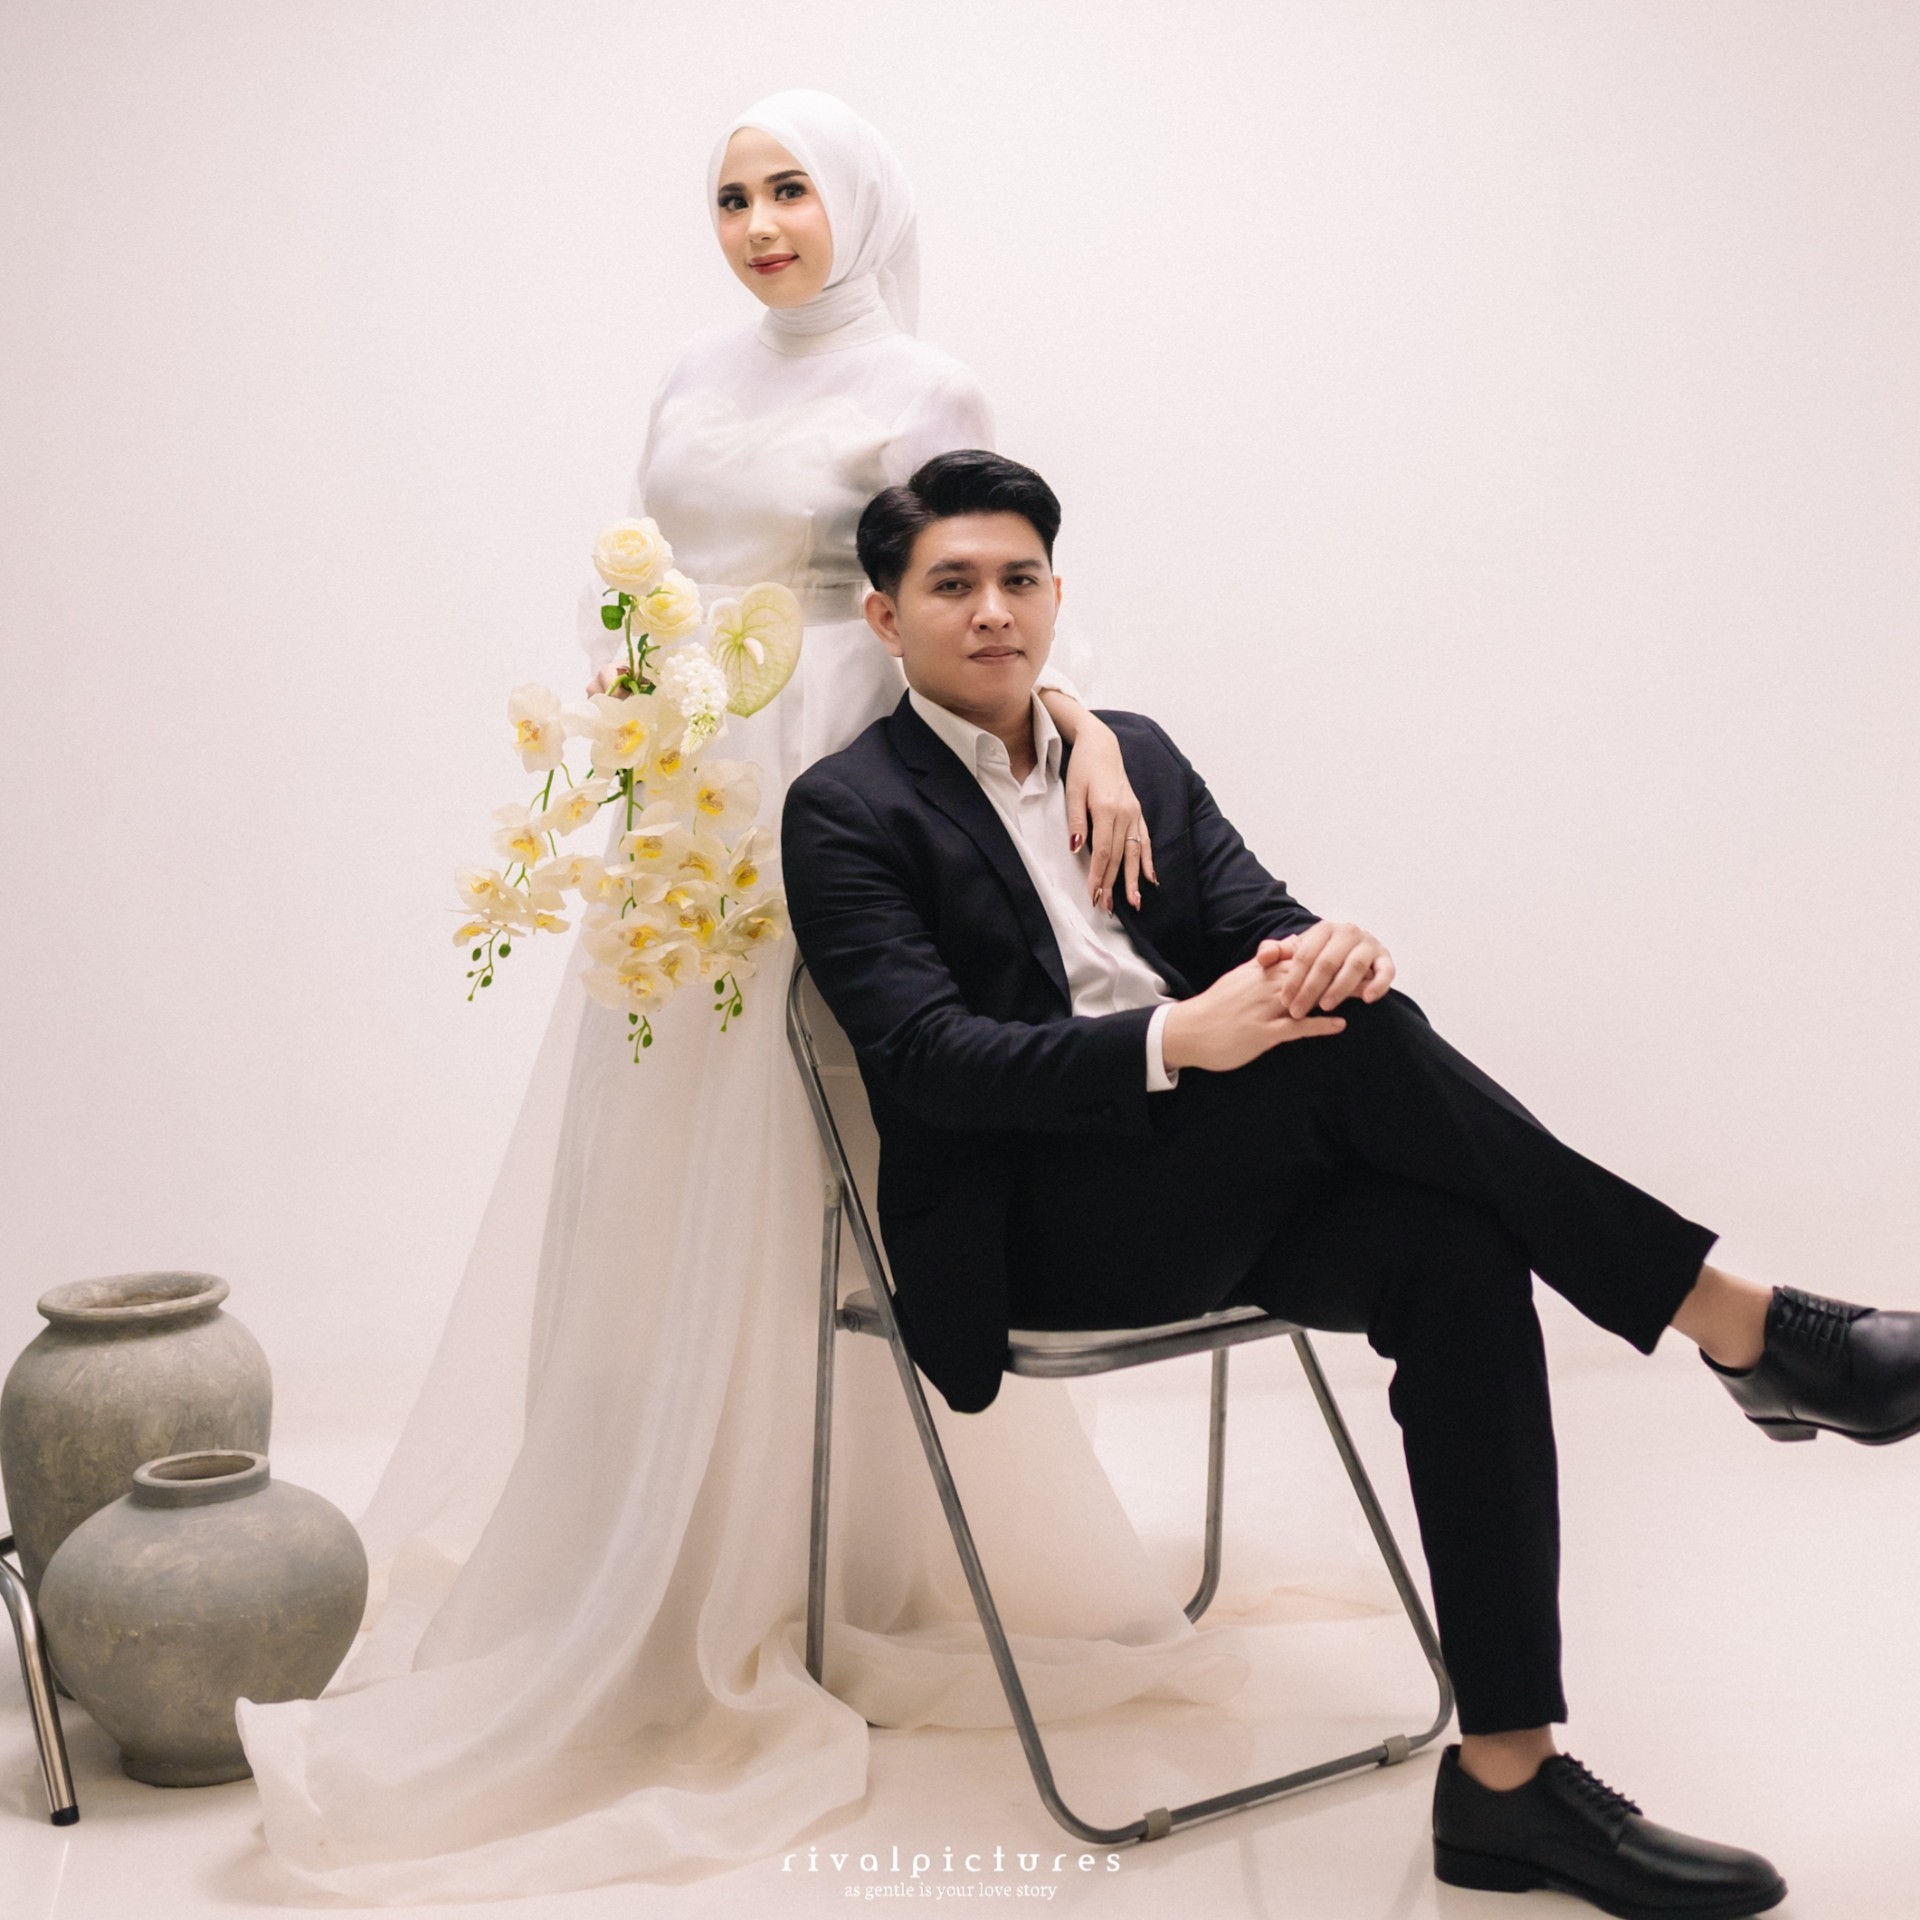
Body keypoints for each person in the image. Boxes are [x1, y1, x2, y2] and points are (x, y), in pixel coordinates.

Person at [236, 95, 1241, 1902]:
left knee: (837, 1138)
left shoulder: (926, 381)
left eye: (792, 191)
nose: (762, 224)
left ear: (857, 203)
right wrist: (634, 730)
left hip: (846, 792)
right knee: (673, 1160)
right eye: (731, 196)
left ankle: (849, 1550)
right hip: (692, 798)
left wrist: (1081, 727)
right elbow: (648, 584)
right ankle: (670, 1541)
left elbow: (978, 594)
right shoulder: (693, 372)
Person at [782, 447, 1920, 1920]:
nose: (992, 610)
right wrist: (1173, 1041)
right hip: (1042, 1227)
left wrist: (1332, 948)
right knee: (1348, 1057)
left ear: (1057, 595)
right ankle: (1746, 1325)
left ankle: (1507, 1779)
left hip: (1208, 1187)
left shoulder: (1134, 756)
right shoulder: (847, 809)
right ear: (887, 617)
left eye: (1019, 579)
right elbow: (929, 1061)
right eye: (953, 585)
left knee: (1448, 1239)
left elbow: (1256, 919)